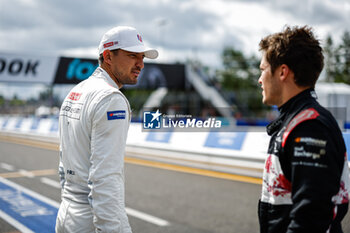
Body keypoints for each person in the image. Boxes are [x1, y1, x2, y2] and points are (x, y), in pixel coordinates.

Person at [55, 26, 158, 233]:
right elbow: (105, 178)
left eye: (142, 58)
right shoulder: (111, 99)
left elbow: (62, 166)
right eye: (132, 56)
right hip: (91, 220)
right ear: (108, 56)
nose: (140, 64)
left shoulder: (76, 91)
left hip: (67, 213)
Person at [257, 25, 350, 233]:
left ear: (282, 72)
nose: (259, 79)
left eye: (263, 70)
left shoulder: (309, 127)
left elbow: (311, 218)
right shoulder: (295, 120)